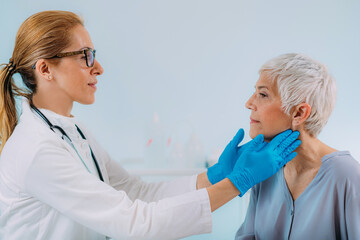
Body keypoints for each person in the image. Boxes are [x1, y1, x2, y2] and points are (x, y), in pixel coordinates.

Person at [0, 11, 300, 240]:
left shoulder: (73, 131)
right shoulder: (37, 148)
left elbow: (133, 190)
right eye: (85, 56)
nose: (98, 68)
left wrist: (212, 177)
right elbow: (136, 222)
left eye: (94, 55)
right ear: (45, 69)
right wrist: (237, 182)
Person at [235, 53, 360, 240]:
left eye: (262, 94)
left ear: (299, 113)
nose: (249, 104)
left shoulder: (347, 176)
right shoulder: (265, 170)